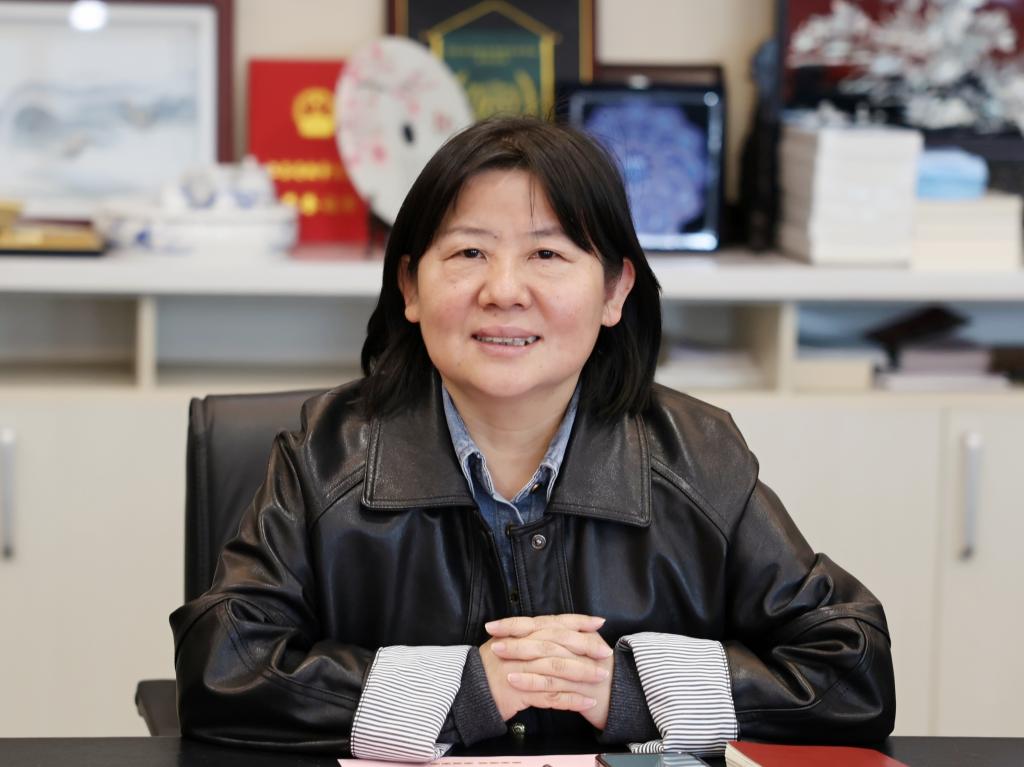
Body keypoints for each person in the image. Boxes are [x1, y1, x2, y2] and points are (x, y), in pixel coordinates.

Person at [171, 117, 895, 759]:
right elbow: (223, 665)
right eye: (469, 253)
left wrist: (632, 688)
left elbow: (849, 666)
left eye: (547, 255)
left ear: (614, 291)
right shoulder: (325, 454)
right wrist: (463, 690)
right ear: (411, 288)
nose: (504, 290)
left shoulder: (697, 456)